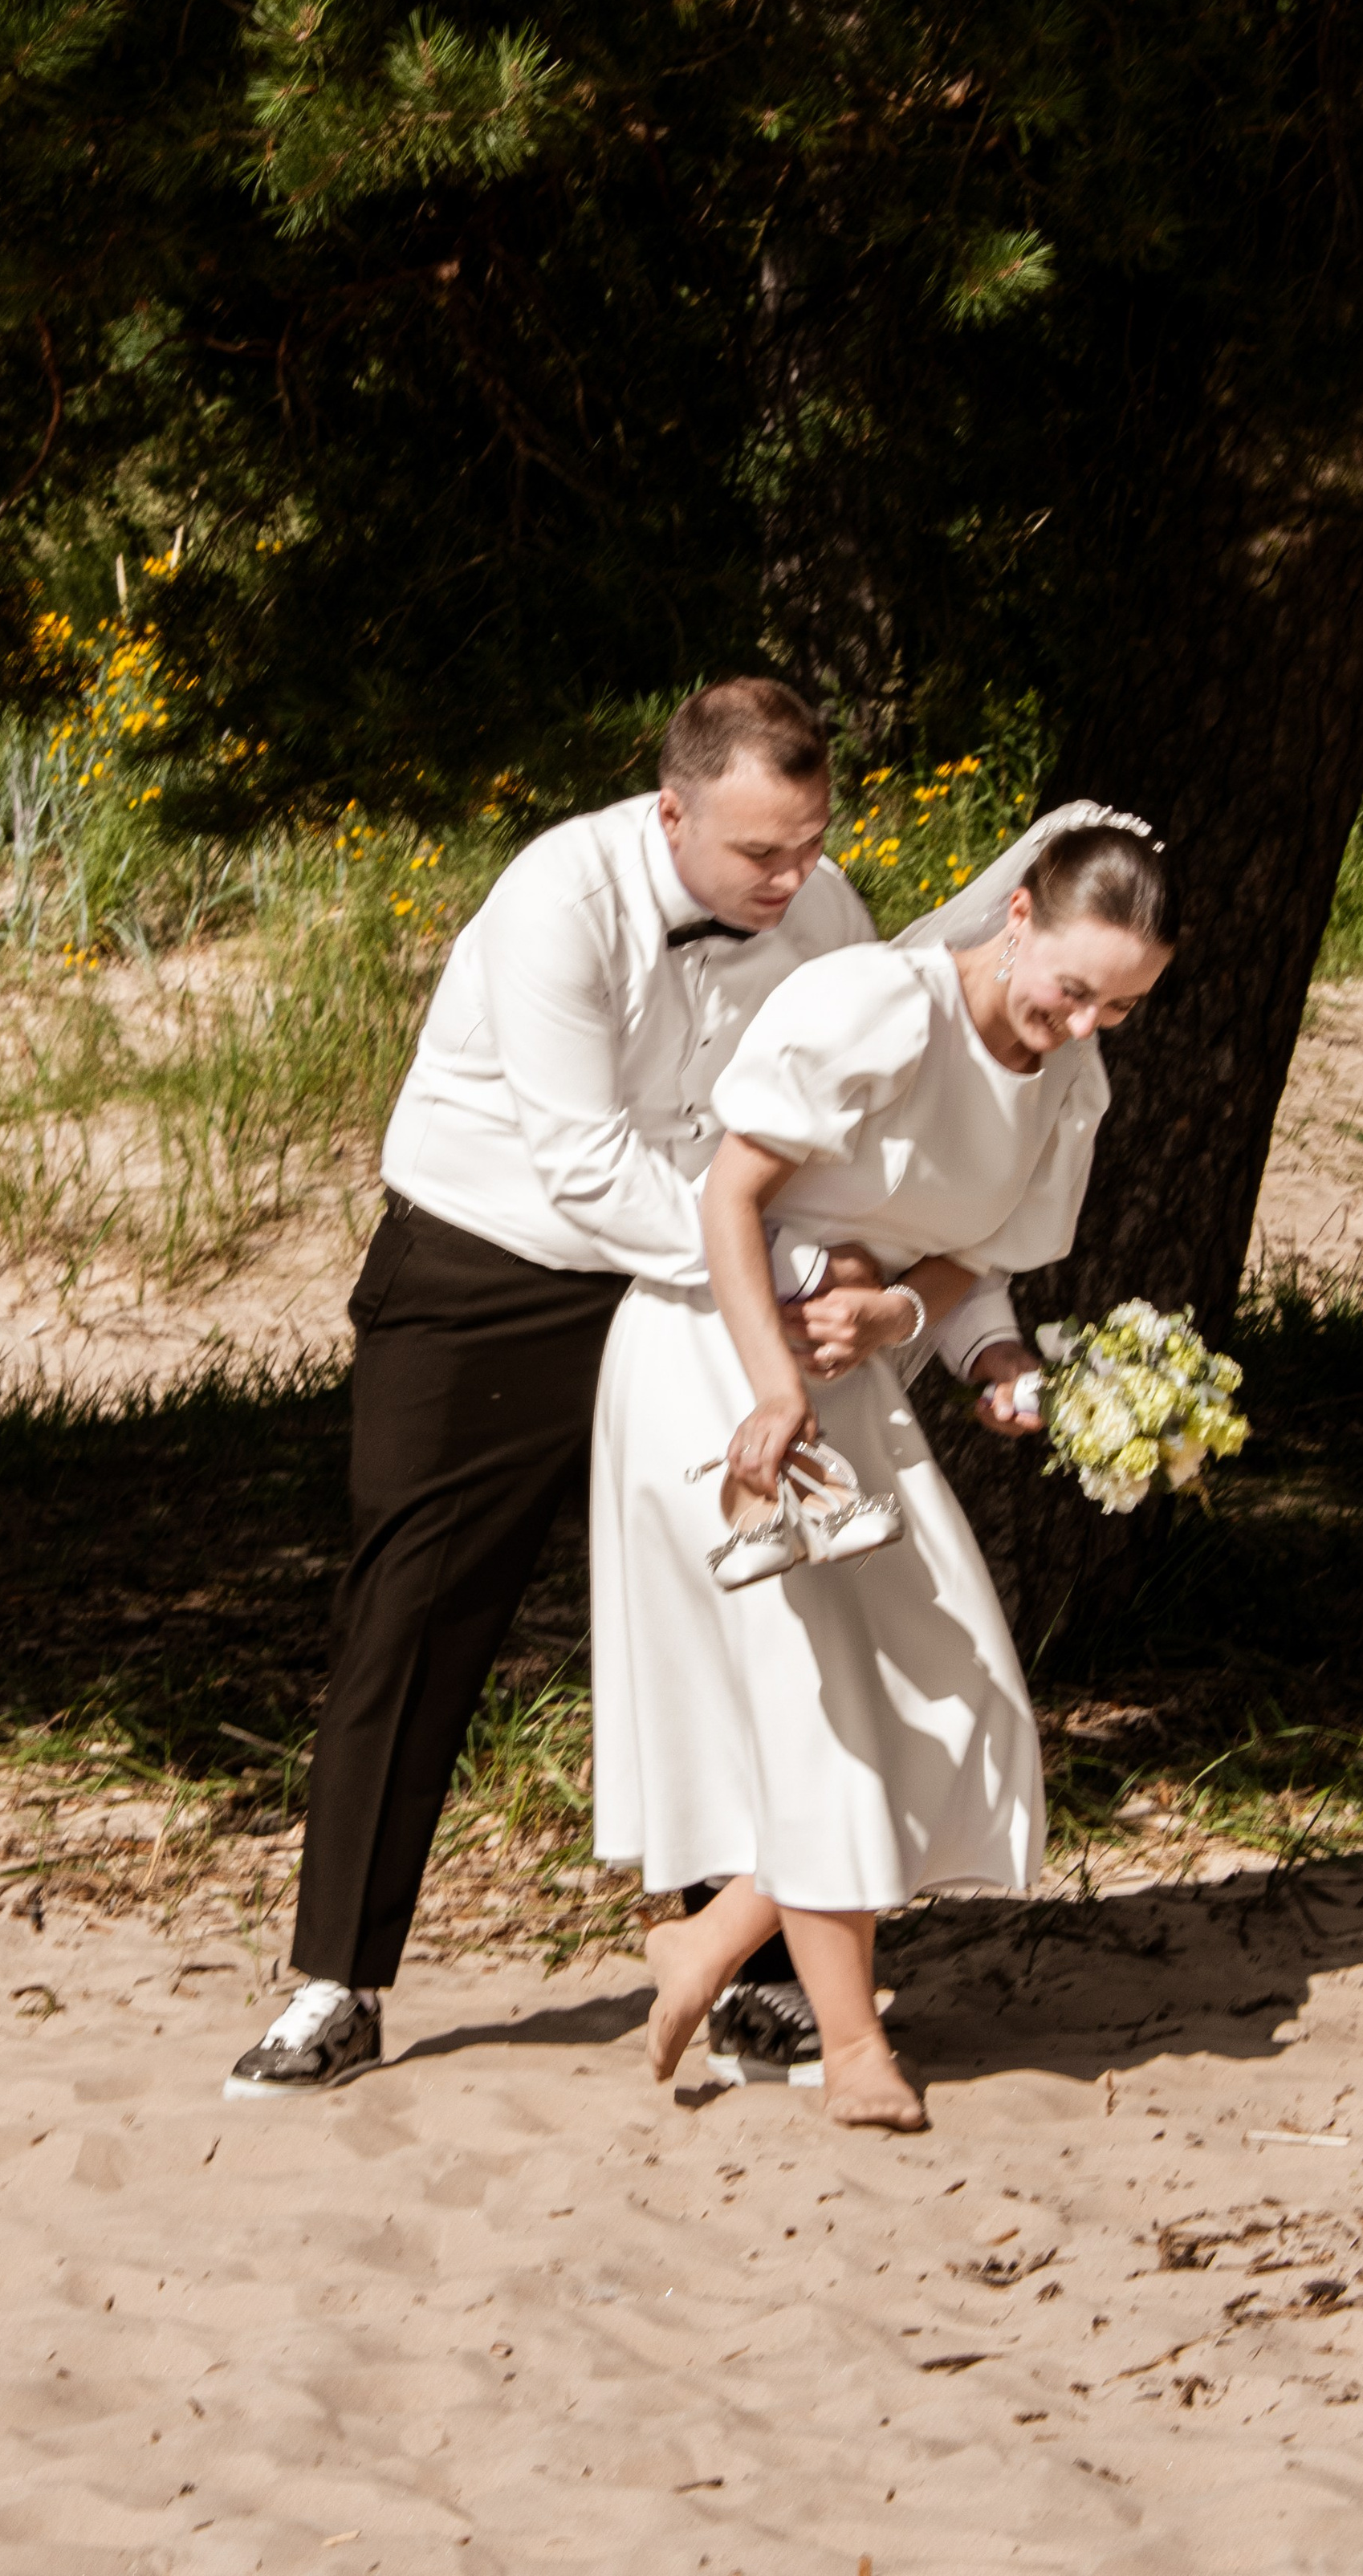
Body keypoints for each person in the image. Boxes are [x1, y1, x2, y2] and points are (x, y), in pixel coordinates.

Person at [225, 679, 1023, 2099]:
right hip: (493, 1266)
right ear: (671, 811)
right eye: (758, 855)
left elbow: (863, 1134)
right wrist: (762, 1279)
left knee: (765, 1597)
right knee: (415, 1608)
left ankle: (766, 1974)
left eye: (811, 844)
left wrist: (893, 1297)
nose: (791, 881)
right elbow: (582, 1166)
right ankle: (336, 1983)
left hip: (701, 1278)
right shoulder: (557, 897)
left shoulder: (821, 910)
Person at [588, 814, 1178, 2129]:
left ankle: (711, 1937)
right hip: (717, 1351)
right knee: (822, 1701)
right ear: (1016, 918)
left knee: (963, 1693)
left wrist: (972, 1357)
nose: (1085, 1024)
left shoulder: (1068, 1084)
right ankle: (853, 2050)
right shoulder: (875, 1007)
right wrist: (779, 1383)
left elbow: (974, 1263)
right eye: (1073, 989)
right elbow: (729, 1197)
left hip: (844, 1384)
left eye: (1122, 1008)